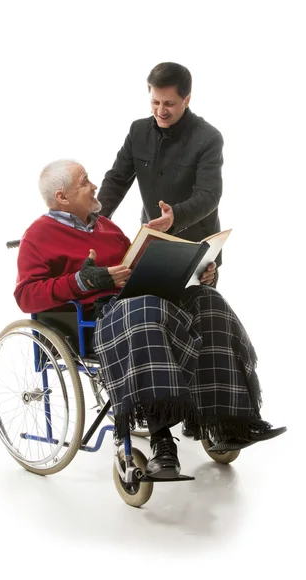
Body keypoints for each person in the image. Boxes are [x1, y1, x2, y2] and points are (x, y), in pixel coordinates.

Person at [14, 159, 286, 480]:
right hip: (93, 320)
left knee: (208, 303)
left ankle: (226, 422)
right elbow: (27, 295)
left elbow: (134, 269)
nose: (94, 185)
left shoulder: (107, 228)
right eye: (85, 181)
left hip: (143, 302)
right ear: (62, 197)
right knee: (145, 310)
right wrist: (84, 281)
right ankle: (161, 441)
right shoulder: (39, 235)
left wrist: (199, 271)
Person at [97, 62, 224, 436]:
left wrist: (176, 217)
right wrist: (94, 222)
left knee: (202, 326)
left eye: (169, 103)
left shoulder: (207, 137)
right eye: (155, 102)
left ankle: (208, 418)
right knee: (155, 324)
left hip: (195, 244)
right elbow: (116, 180)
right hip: (153, 245)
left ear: (187, 98)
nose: (160, 111)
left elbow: (210, 195)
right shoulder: (138, 131)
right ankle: (164, 413)